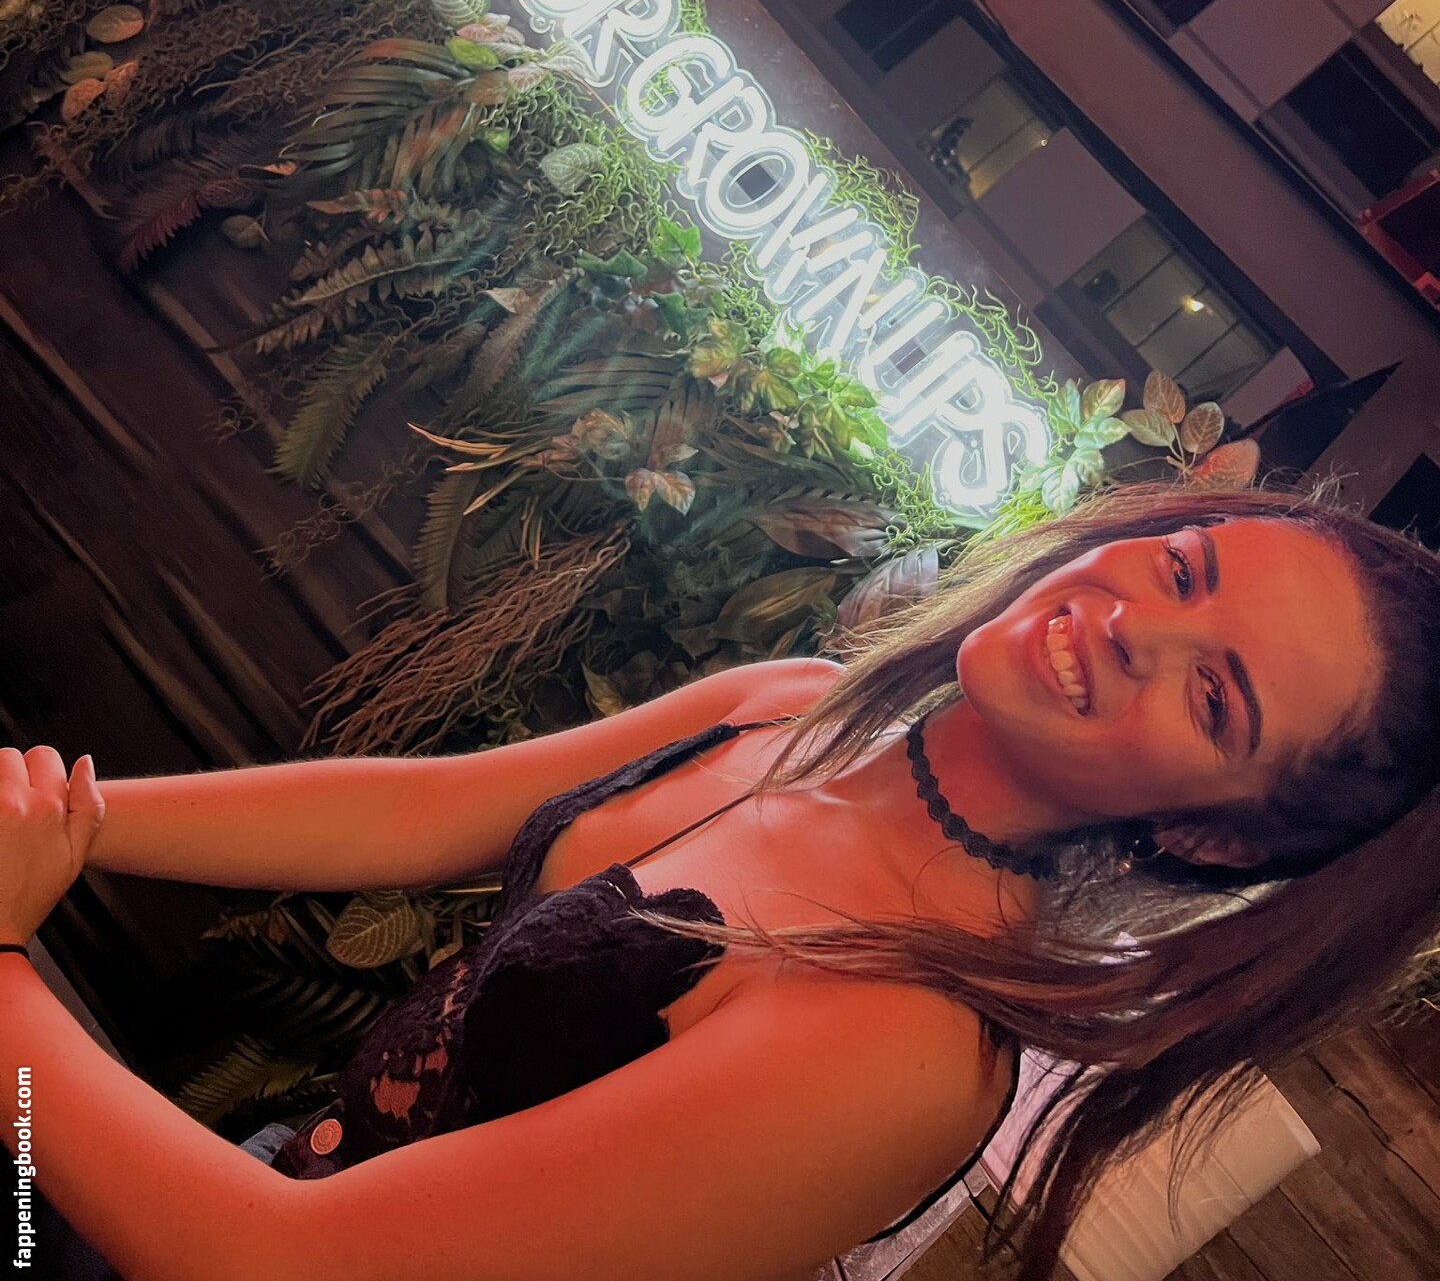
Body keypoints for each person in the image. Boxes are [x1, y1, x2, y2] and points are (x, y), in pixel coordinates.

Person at [2, 480, 1438, 1281]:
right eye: (1184, 567)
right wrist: (67, 817)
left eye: (1216, 699)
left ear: (1221, 842)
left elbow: (279, 1269)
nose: (1133, 626)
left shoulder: (904, 1048)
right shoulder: (794, 706)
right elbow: (421, 811)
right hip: (230, 1185)